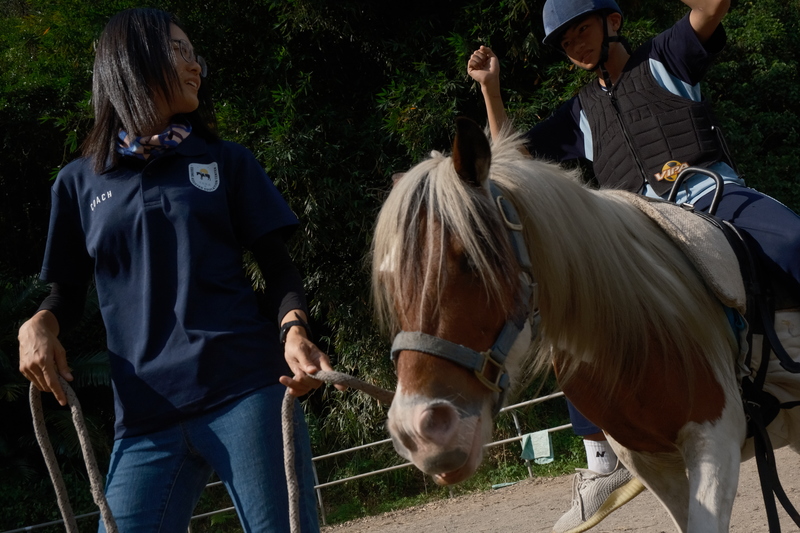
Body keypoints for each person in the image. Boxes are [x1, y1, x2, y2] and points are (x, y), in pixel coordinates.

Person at [468, 0, 800, 531]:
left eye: (581, 31)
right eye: (566, 42)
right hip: (637, 226)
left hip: (709, 193)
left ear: (612, 22)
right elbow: (513, 160)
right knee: (572, 303)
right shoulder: (578, 111)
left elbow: (714, 5)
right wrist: (491, 87)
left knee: (794, 238)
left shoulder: (668, 55)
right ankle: (602, 459)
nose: (575, 46)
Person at [17, 8, 337, 532]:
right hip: (143, 416)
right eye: (181, 51)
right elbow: (66, 293)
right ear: (133, 59)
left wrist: (294, 330)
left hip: (247, 392)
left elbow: (279, 272)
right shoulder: (76, 184)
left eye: (196, 56)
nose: (196, 68)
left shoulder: (227, 161)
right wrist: (40, 324)